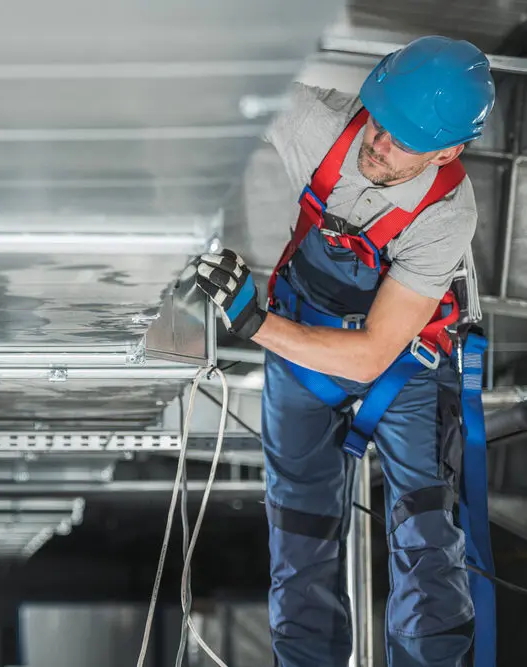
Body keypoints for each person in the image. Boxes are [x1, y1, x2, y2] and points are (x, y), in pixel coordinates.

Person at [195, 35, 496, 667]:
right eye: (380, 123)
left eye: (403, 141)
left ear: (449, 150)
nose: (378, 145)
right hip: (302, 346)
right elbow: (222, 83)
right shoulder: (319, 126)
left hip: (400, 366)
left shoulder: (446, 214)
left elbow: (369, 357)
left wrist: (252, 323)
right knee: (299, 537)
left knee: (426, 540)